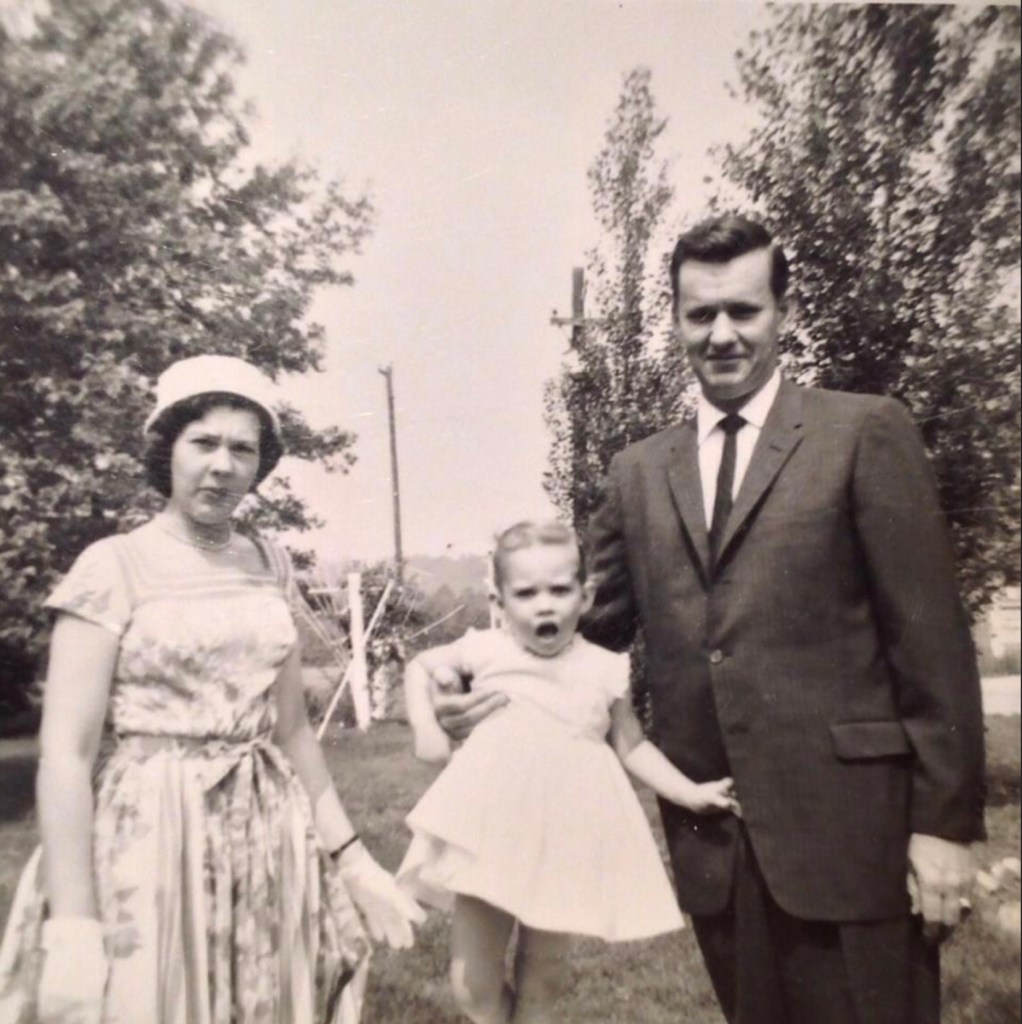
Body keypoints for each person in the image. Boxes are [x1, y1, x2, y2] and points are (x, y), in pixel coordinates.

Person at [436, 216, 987, 1024]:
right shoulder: (638, 472)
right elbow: (579, 639)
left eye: (744, 310)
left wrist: (943, 827)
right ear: (676, 320)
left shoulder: (863, 430)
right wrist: (475, 688)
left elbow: (930, 641)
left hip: (853, 835)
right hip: (716, 843)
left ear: (785, 312)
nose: (722, 333)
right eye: (700, 314)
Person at [0, 355, 424, 1024]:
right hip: (150, 838)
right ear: (166, 449)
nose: (222, 465)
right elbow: (66, 757)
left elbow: (293, 734)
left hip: (266, 836)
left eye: (242, 449)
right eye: (203, 442)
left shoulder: (269, 564)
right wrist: (73, 923)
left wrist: (353, 860)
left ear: (260, 464)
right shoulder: (112, 567)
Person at [399, 520, 739, 1024]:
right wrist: (426, 729)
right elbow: (420, 666)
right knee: (472, 986)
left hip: (566, 831)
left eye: (559, 590)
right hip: (491, 828)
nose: (545, 605)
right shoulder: (487, 649)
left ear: (586, 596)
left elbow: (632, 745)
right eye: (526, 593)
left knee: (544, 977)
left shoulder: (604, 667)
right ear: (498, 601)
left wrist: (690, 793)